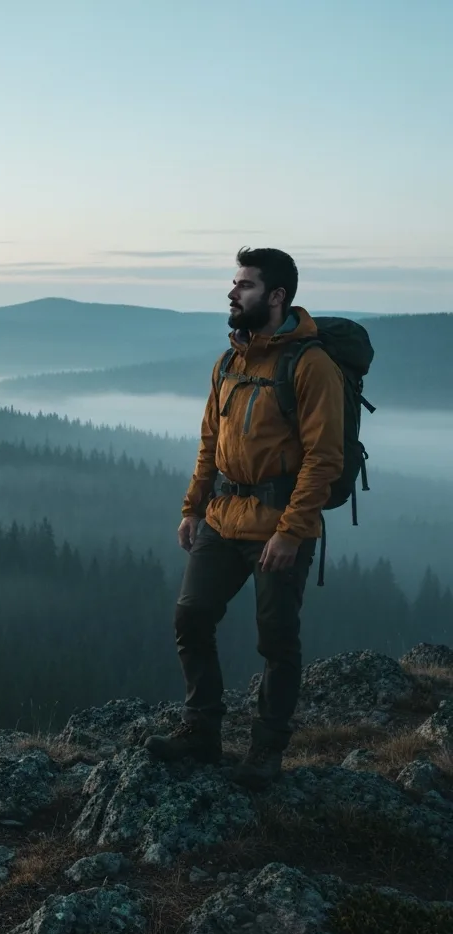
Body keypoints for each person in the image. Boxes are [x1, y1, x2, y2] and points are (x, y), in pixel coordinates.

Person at [144, 247, 345, 790]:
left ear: (276, 296)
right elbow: (209, 442)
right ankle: (201, 730)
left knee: (276, 640)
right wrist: (192, 508)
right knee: (191, 618)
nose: (232, 293)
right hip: (222, 517)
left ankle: (265, 750)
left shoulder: (310, 365)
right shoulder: (229, 362)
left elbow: (324, 458)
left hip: (279, 526)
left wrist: (291, 531)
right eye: (234, 284)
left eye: (245, 285)